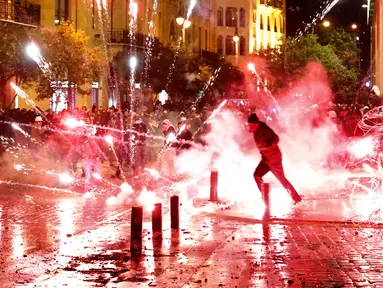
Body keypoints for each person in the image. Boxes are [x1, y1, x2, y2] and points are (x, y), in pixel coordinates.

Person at [247, 113, 302, 204]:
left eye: (251, 125)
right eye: (249, 125)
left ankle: (296, 198)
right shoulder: (255, 130)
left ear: (256, 124)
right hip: (266, 159)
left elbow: (276, 138)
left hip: (274, 159)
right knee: (257, 175)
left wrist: (268, 146)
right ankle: (265, 197)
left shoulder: (264, 129)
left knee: (282, 180)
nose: (249, 127)